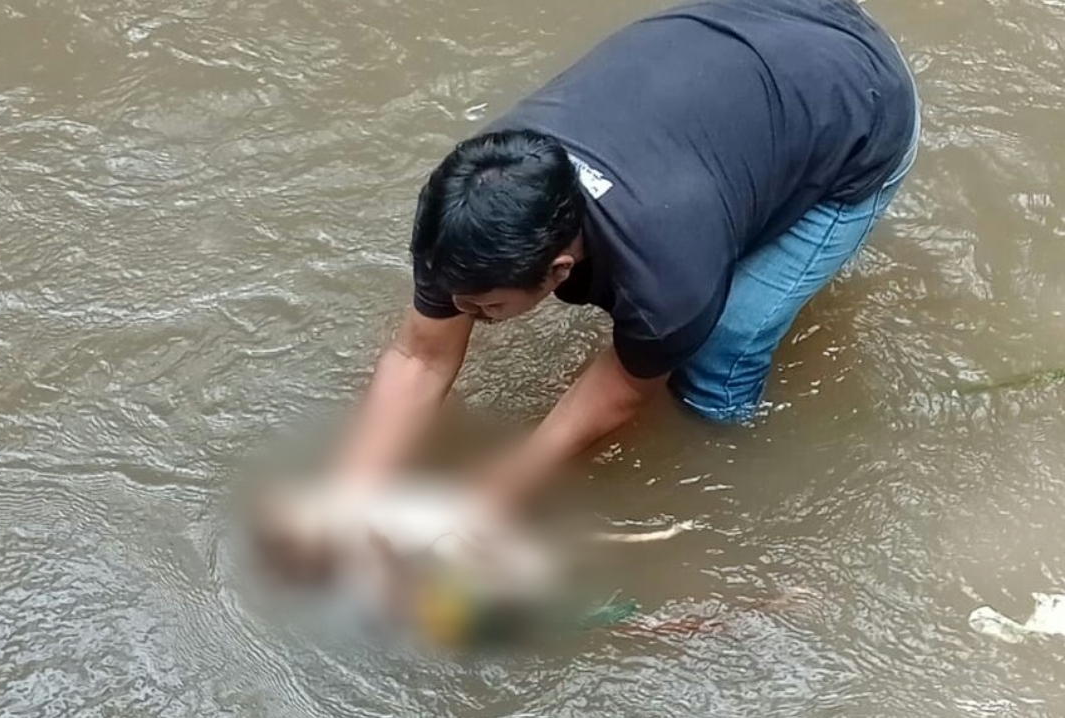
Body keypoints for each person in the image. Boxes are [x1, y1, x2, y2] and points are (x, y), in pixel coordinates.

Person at [332, 0, 920, 512]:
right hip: (754, 33)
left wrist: (501, 488)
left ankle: (734, 452)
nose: (464, 314)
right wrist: (351, 495)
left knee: (717, 358)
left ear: (560, 270)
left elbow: (624, 391)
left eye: (484, 310)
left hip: (861, 107)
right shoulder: (472, 201)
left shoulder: (664, 279)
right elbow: (420, 356)